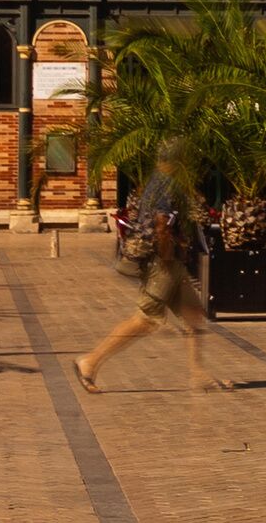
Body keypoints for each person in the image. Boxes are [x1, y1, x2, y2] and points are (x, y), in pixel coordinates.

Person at [79, 142, 218, 393]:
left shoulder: (164, 180)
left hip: (173, 262)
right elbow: (162, 224)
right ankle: (90, 362)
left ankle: (198, 373)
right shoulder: (165, 183)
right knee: (147, 319)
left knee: (193, 314)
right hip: (162, 261)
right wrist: (166, 259)